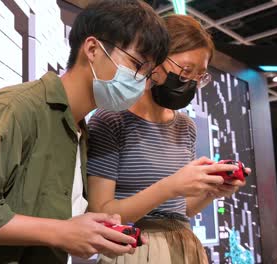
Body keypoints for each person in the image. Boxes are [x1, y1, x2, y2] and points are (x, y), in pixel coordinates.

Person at [0, 1, 170, 263]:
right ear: (92, 49)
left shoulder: (78, 132)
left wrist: (91, 231)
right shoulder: (13, 109)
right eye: (137, 65)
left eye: (147, 75)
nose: (141, 83)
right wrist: (62, 232)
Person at [87, 14, 250, 264]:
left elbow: (179, 210)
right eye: (185, 71)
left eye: (199, 76)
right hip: (135, 247)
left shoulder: (185, 126)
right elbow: (102, 212)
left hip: (184, 246)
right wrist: (171, 185)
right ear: (155, 59)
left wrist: (211, 192)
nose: (190, 83)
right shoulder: (111, 119)